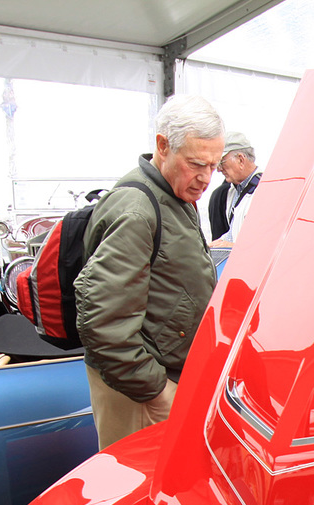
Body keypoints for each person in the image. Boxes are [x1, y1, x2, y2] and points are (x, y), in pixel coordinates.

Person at [76, 95, 222, 449]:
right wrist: (156, 391)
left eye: (214, 166)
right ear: (162, 146)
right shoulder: (138, 211)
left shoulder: (173, 197)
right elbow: (103, 322)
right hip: (138, 392)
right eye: (196, 164)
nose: (205, 178)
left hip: (156, 380)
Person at [207, 130, 260, 243]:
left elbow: (260, 242)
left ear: (241, 160)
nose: (218, 169)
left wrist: (230, 246)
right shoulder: (231, 191)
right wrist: (220, 242)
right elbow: (233, 231)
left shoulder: (264, 190)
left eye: (221, 162)